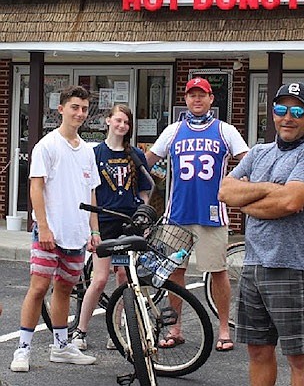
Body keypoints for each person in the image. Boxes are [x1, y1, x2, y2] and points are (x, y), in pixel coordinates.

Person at [218, 82, 304, 386]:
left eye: (298, 110)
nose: (288, 117)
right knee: (257, 349)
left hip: (294, 267)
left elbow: (290, 201)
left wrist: (248, 201)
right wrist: (271, 190)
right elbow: (225, 190)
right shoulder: (259, 152)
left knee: (297, 354)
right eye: (281, 109)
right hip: (254, 264)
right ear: (273, 113)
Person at [146, 77, 248, 351]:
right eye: (192, 95)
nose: (197, 100)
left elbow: (248, 161)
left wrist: (238, 186)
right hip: (177, 214)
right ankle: (175, 327)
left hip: (212, 215)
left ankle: (224, 329)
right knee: (174, 273)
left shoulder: (225, 130)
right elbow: (148, 162)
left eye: (201, 95)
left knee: (217, 271)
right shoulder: (173, 130)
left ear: (211, 98)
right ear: (186, 99)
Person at [11, 85, 101, 373]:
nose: (79, 113)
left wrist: (94, 231)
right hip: (49, 232)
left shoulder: (87, 150)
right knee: (38, 288)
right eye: (74, 107)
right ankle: (23, 348)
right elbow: (36, 188)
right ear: (61, 109)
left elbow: (91, 193)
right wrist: (43, 227)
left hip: (76, 234)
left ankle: (61, 346)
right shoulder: (46, 145)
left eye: (84, 108)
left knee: (65, 288)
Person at [71, 104, 152, 351]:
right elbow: (90, 191)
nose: (121, 126)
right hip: (104, 222)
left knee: (123, 277)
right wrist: (91, 229)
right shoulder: (96, 154)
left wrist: (143, 214)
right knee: (100, 278)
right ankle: (80, 330)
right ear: (108, 121)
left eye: (126, 123)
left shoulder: (135, 154)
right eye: (118, 120)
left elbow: (145, 188)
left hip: (127, 223)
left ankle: (116, 331)